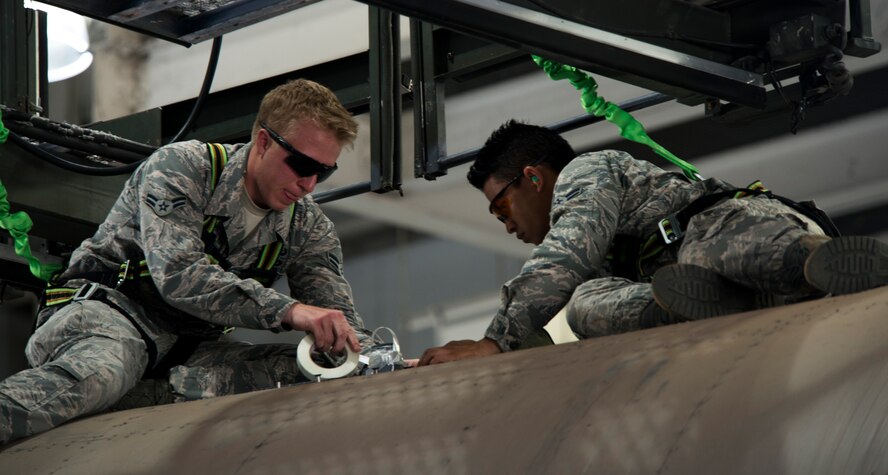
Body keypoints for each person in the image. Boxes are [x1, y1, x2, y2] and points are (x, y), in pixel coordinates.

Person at [0, 79, 371, 445]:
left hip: (190, 348)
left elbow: (341, 324)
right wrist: (289, 311)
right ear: (263, 142)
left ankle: (136, 396)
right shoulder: (184, 167)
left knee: (317, 372)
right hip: (109, 318)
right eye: (301, 164)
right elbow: (179, 275)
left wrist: (391, 364)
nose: (309, 184)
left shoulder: (307, 225)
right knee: (101, 373)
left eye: (323, 172)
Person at [419, 120, 888, 365]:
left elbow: (565, 254)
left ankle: (814, 258)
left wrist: (495, 342)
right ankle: (704, 302)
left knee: (701, 250)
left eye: (501, 207)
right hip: (721, 284)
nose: (506, 226)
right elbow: (577, 290)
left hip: (741, 228)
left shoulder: (585, 173)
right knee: (584, 305)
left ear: (533, 179)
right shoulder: (605, 264)